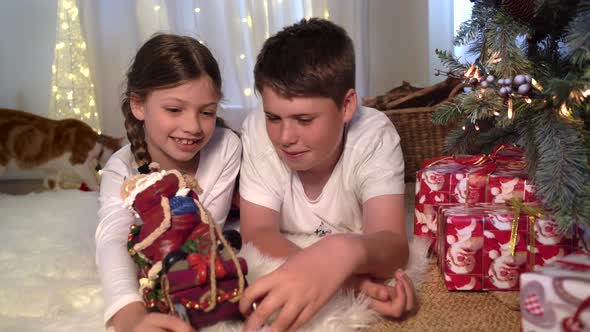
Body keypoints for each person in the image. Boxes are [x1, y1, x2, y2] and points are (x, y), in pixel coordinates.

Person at [238, 18, 416, 331]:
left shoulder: (373, 134)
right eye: (273, 117)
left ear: (346, 106)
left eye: (305, 120)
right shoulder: (255, 129)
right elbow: (257, 233)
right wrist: (350, 282)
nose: (285, 137)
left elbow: (392, 244)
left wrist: (342, 249)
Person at [95, 34, 241, 332]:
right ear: (138, 105)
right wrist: (130, 316)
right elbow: (111, 240)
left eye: (207, 112)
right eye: (174, 110)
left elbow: (201, 233)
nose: (193, 127)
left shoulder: (226, 147)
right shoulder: (120, 169)